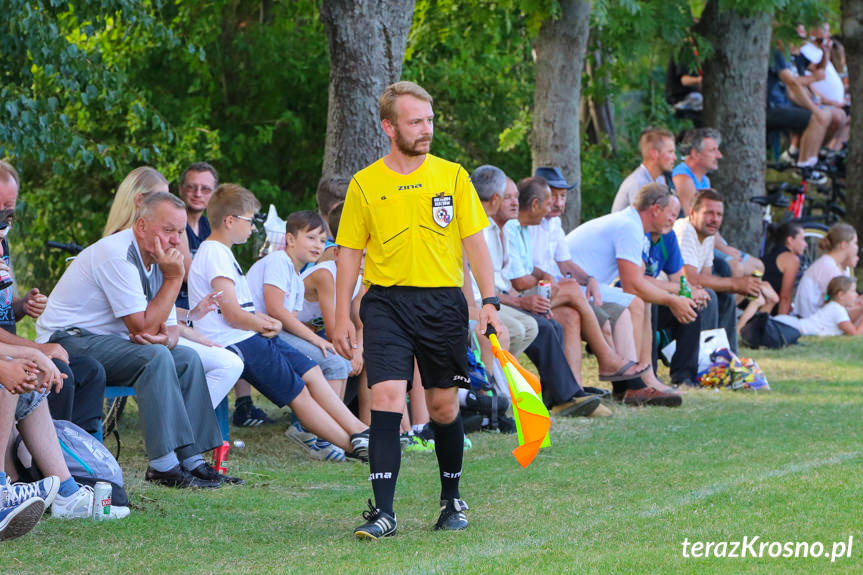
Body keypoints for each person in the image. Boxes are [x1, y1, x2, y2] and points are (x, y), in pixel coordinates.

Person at [332, 81, 503, 539]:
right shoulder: (365, 184)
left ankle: (451, 501)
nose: (426, 129)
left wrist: (489, 301)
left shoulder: (452, 175)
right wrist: (341, 316)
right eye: (415, 122)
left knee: (444, 407)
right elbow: (348, 251)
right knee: (387, 397)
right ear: (389, 127)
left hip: (443, 304)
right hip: (386, 302)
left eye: (429, 120)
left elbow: (474, 243)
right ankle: (383, 512)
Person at [37, 192, 237, 488]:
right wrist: (172, 281)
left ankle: (191, 460)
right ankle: (163, 467)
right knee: (154, 358)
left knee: (187, 358)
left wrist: (161, 335)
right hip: (67, 341)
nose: (174, 240)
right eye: (168, 230)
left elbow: (169, 332)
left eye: (180, 232)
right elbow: (141, 325)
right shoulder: (117, 254)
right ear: (141, 226)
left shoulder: (160, 258)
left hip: (108, 343)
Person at [187, 184, 370, 462]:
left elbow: (243, 310)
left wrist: (263, 323)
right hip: (236, 341)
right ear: (230, 221)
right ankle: (353, 446)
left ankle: (359, 430)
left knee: (311, 371)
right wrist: (263, 325)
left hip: (251, 336)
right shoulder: (214, 253)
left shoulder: (223, 253)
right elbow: (234, 316)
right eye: (250, 221)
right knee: (300, 394)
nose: (253, 228)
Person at [101, 166, 244, 414]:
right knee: (227, 362)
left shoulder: (155, 245)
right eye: (160, 199)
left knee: (228, 358)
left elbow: (152, 307)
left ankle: (182, 430)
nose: (176, 237)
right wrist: (179, 329)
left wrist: (187, 318)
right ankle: (180, 430)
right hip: (120, 342)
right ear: (140, 201)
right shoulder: (121, 248)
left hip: (144, 335)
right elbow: (140, 323)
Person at [469, 167, 604, 418]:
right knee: (542, 321)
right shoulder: (484, 231)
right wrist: (522, 301)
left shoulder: (502, 229)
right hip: (481, 303)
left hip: (498, 298)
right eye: (509, 197)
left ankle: (566, 395)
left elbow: (505, 281)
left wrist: (526, 295)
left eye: (515, 196)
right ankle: (583, 380)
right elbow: (506, 284)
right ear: (495, 199)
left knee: (554, 324)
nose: (515, 202)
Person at [504, 175, 649, 390]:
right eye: (551, 198)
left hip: (545, 291)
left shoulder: (532, 227)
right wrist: (543, 276)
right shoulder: (513, 227)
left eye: (562, 197)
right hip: (517, 298)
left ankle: (576, 390)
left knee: (574, 315)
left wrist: (586, 279)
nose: (555, 205)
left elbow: (552, 266)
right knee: (575, 291)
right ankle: (610, 363)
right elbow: (518, 280)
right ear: (536, 203)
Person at [0, 160, 106, 435]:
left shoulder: (2, 240)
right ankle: (39, 463)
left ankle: (81, 457)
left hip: (9, 346)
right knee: (60, 375)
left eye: (9, 207)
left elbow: (2, 314)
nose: (4, 214)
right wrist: (36, 350)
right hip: (5, 353)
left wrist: (21, 306)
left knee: (91, 371)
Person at [567, 183, 691, 405]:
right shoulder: (629, 227)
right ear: (655, 209)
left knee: (643, 302)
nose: (672, 220)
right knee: (635, 300)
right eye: (670, 213)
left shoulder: (632, 224)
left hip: (583, 285)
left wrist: (669, 298)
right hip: (567, 284)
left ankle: (644, 377)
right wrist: (673, 300)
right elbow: (632, 285)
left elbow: (636, 283)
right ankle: (632, 385)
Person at [672, 189, 767, 353]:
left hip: (688, 290)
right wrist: (736, 283)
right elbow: (691, 279)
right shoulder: (685, 230)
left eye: (719, 214)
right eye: (709, 213)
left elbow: (706, 275)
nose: (714, 219)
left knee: (724, 298)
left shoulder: (708, 234)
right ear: (693, 213)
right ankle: (704, 359)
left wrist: (733, 286)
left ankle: (728, 357)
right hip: (669, 291)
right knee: (711, 296)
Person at [794, 223, 859, 319]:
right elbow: (829, 300)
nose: (857, 247)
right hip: (812, 318)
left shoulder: (833, 264)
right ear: (844, 245)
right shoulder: (828, 267)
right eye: (855, 243)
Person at [610, 127, 674, 213]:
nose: (675, 157)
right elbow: (642, 222)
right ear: (654, 154)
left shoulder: (660, 180)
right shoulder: (638, 183)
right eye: (670, 152)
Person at [775, 276, 862, 336]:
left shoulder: (836, 307)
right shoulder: (837, 310)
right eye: (853, 291)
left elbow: (852, 328)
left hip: (791, 324)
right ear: (841, 295)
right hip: (791, 326)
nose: (856, 295)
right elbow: (855, 333)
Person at [762, 222, 806, 316]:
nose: (805, 244)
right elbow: (785, 297)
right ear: (790, 240)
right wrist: (782, 322)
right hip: (767, 311)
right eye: (802, 239)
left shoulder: (773, 253)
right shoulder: (791, 259)